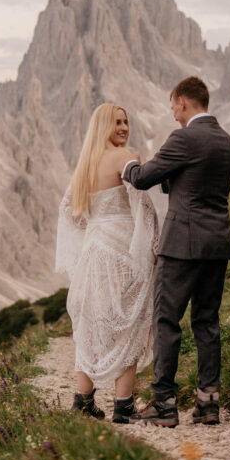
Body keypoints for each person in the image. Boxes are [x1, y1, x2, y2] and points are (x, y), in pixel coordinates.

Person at [122, 76, 230, 427]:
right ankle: (208, 402)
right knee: (207, 321)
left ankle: (164, 403)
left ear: (184, 102)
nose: (172, 113)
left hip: (182, 245)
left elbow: (143, 177)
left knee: (166, 319)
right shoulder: (226, 142)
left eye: (173, 106)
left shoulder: (184, 137)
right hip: (217, 244)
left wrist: (126, 163)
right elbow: (195, 182)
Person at [56, 103, 159, 424]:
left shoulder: (85, 164)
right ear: (103, 126)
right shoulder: (124, 156)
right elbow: (143, 203)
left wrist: (95, 228)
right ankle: (123, 405)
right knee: (128, 323)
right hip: (123, 250)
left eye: (126, 121)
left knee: (91, 326)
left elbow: (68, 211)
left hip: (94, 251)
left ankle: (83, 401)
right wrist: (154, 244)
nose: (124, 127)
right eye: (117, 122)